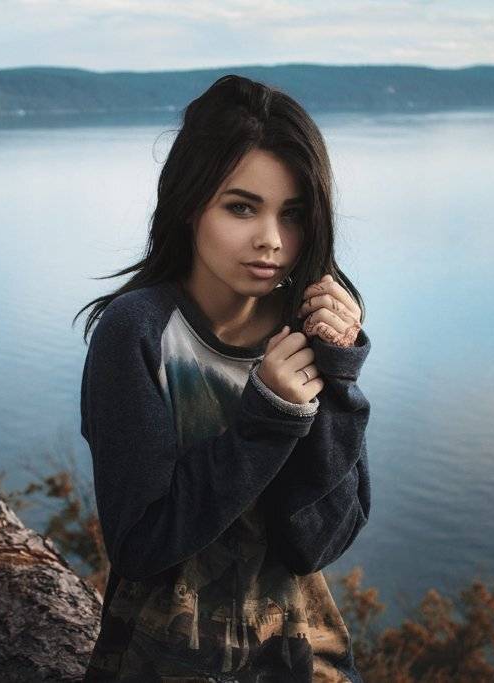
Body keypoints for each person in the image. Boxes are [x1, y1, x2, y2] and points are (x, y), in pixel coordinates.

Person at [73, 75, 371, 682]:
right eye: (241, 207)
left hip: (300, 659)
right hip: (163, 660)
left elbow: (318, 543)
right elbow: (141, 546)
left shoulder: (310, 328)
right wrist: (267, 422)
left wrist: (339, 376)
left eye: (293, 215)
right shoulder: (138, 332)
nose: (272, 242)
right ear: (190, 204)